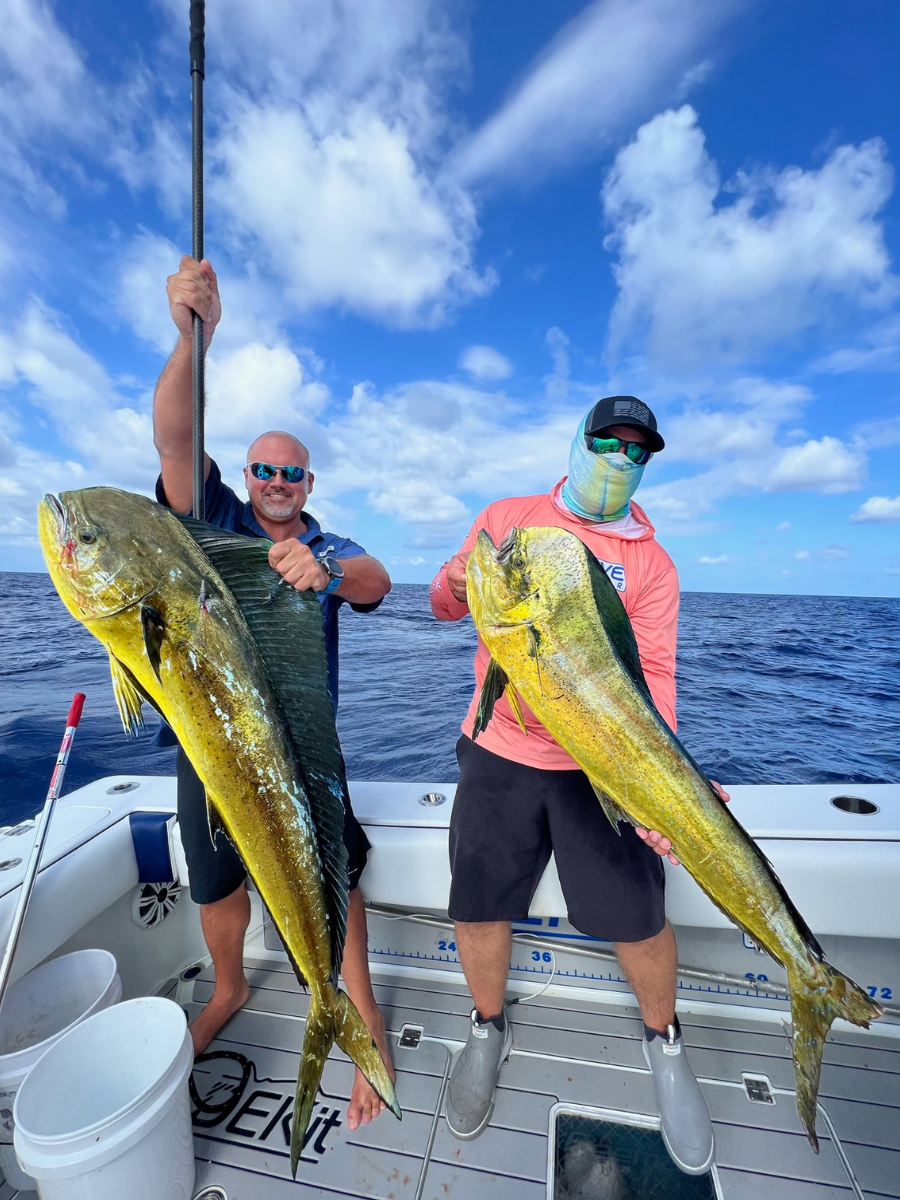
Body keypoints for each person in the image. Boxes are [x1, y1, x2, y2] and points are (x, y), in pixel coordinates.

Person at [430, 396, 730, 1176]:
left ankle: (665, 1044)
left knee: (637, 913)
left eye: (639, 453)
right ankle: (487, 1026)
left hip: (595, 764)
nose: (621, 461)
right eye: (609, 443)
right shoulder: (508, 515)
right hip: (498, 748)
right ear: (579, 439)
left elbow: (652, 677)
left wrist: (664, 780)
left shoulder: (654, 565)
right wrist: (458, 580)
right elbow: (443, 603)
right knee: (479, 902)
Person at [153, 255, 393, 1132]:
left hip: (300, 752)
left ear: (310, 487)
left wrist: (324, 569)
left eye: (291, 475)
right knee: (216, 885)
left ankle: (358, 1017)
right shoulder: (210, 519)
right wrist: (190, 338)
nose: (277, 485)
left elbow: (378, 582)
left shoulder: (328, 542)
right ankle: (228, 985)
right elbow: (176, 440)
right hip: (208, 744)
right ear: (245, 478)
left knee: (337, 882)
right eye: (264, 471)